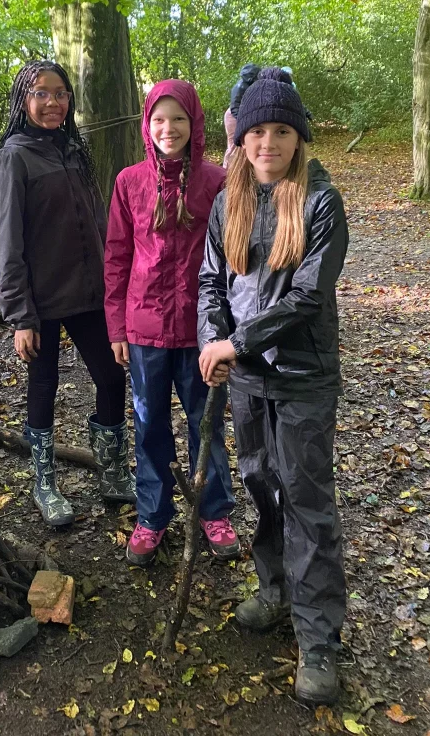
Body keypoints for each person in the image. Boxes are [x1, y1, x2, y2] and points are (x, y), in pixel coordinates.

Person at [197, 66, 348, 706]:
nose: (268, 142)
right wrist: (212, 338)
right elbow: (211, 282)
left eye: (281, 130)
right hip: (245, 382)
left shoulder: (320, 201)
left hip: (302, 379)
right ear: (243, 135)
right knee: (260, 485)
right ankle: (273, 589)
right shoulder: (227, 199)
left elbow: (309, 296)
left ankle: (318, 643)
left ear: (298, 136)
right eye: (258, 129)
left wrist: (241, 341)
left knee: (307, 502)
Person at [0, 59, 136, 526]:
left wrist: (116, 285)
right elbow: (7, 241)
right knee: (43, 386)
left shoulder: (75, 150)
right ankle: (44, 482)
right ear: (23, 100)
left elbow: (98, 223)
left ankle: (111, 471)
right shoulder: (13, 157)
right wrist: (20, 316)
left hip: (90, 294)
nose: (53, 102)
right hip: (41, 300)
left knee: (113, 376)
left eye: (61, 93)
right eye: (41, 93)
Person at [105, 79, 239, 566]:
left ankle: (215, 511)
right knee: (149, 425)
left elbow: (230, 257)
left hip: (202, 333)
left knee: (208, 426)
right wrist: (117, 326)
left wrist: (227, 329)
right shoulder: (129, 181)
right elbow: (118, 255)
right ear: (147, 124)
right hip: (144, 332)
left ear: (193, 122)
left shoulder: (216, 181)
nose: (169, 128)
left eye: (178, 118)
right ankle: (152, 516)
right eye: (159, 119)